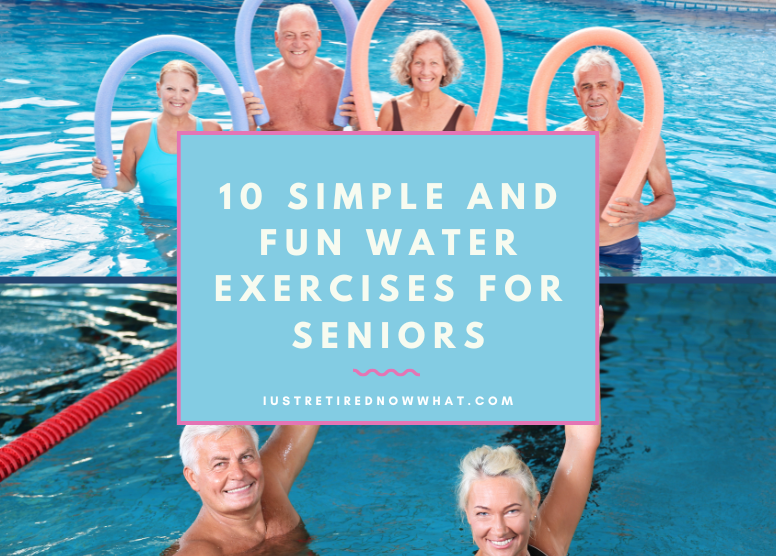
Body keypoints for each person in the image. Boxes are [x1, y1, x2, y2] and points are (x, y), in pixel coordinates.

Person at [457, 307, 603, 556]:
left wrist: (583, 349)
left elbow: (581, 442)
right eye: (483, 513)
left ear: (534, 504)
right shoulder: (549, 544)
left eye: (512, 510)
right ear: (468, 515)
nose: (499, 529)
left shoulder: (545, 540)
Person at [558, 48, 676, 272]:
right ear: (577, 94)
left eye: (602, 85)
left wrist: (646, 212)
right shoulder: (561, 138)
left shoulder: (644, 140)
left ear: (618, 89)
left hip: (619, 249)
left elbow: (667, 197)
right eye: (586, 87)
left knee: (619, 306)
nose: (594, 95)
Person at [91, 60, 222, 208]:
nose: (177, 97)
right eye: (170, 88)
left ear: (195, 92)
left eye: (185, 90)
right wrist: (106, 174)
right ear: (158, 89)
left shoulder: (211, 130)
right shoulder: (138, 132)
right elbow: (128, 182)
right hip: (155, 224)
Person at [174, 425, 319, 555]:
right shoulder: (201, 551)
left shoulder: (270, 481)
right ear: (193, 478)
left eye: (246, 457)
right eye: (219, 464)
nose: (238, 474)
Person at [242, 4, 358, 131]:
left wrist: (359, 125)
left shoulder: (342, 82)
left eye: (306, 35)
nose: (298, 44)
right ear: (277, 39)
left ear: (318, 38)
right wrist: (247, 124)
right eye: (289, 35)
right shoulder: (258, 82)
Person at [377, 30, 475, 132]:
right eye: (418, 62)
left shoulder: (463, 114)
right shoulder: (390, 109)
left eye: (434, 63)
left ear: (445, 68)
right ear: (408, 68)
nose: (425, 71)